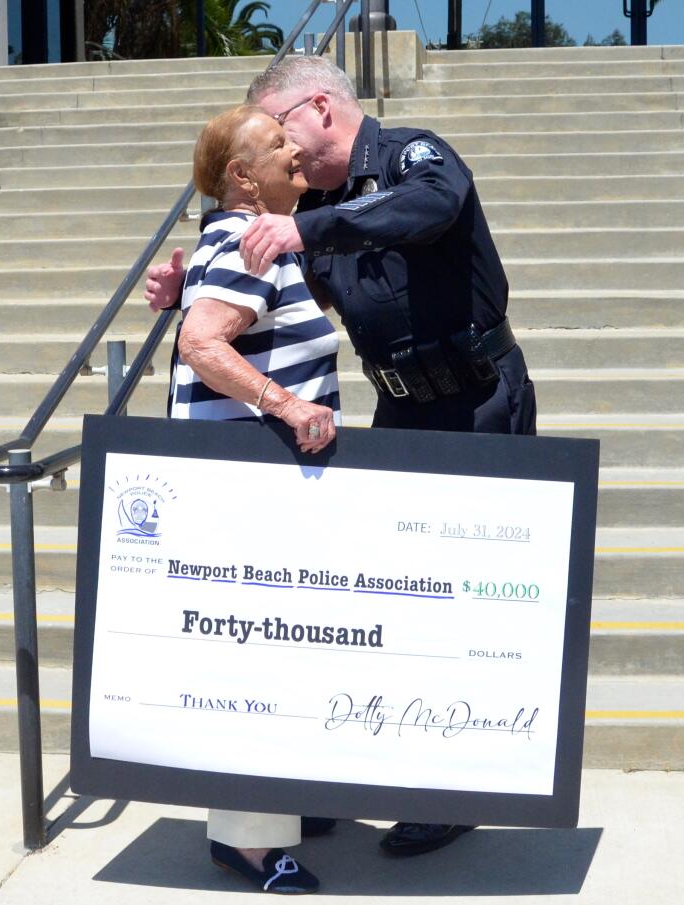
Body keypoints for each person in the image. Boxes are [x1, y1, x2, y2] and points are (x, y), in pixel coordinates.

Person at [146, 55, 536, 855]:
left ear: (319, 108)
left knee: (465, 602)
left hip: (475, 398)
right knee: (393, 604)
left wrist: (305, 227)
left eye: (281, 127)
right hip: (398, 405)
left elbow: (430, 207)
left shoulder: (410, 157)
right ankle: (351, 774)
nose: (281, 147)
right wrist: (197, 280)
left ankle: (451, 789)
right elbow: (277, 292)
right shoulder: (307, 210)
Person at [172, 103, 341, 894]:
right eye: (278, 144)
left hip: (253, 491)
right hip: (244, 496)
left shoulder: (249, 242)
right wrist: (287, 403)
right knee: (253, 659)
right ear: (243, 177)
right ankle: (244, 840)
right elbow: (201, 342)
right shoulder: (247, 242)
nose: (297, 148)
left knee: (271, 652)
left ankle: (275, 801)